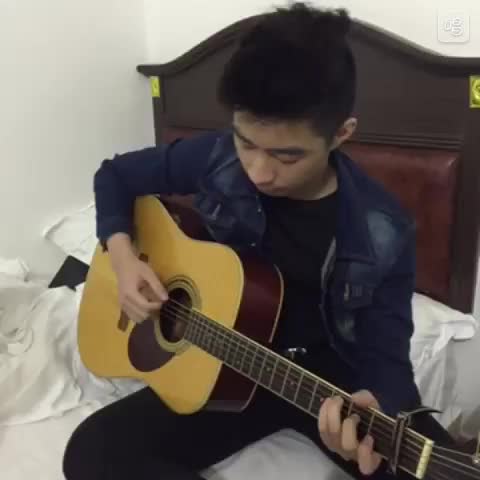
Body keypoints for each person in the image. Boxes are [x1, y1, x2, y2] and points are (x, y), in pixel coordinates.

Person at [63, 3, 453, 479]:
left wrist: (380, 401)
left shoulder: (384, 230)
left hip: (323, 387)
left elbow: (387, 358)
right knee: (92, 452)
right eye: (246, 143)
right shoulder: (217, 156)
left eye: (287, 156)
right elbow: (115, 175)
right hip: (223, 361)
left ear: (341, 134)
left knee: (432, 467)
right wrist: (123, 257)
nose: (259, 171)